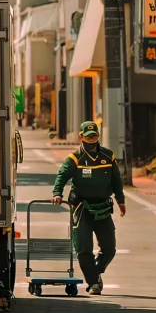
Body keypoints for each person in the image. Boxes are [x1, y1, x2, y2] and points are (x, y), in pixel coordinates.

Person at [51, 119, 125, 295]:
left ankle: (95, 272)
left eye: (94, 136)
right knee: (83, 248)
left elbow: (116, 180)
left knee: (109, 248)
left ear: (98, 136)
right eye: (88, 136)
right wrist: (57, 193)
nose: (92, 139)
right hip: (81, 207)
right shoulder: (75, 158)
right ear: (81, 137)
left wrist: (121, 200)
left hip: (103, 207)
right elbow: (62, 176)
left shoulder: (108, 156)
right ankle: (94, 283)